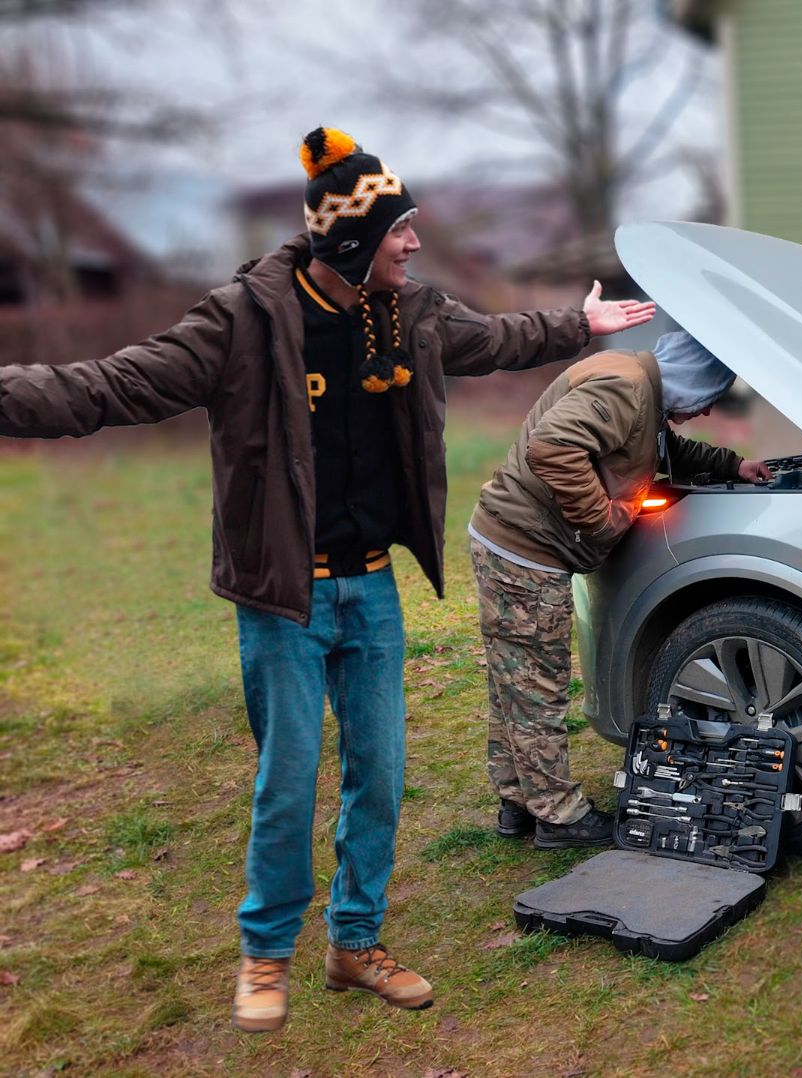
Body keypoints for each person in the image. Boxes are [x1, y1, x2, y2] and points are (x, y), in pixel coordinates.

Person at [0, 128, 655, 1033]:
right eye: (402, 228)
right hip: (284, 598)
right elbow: (106, 388)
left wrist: (578, 325)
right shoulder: (241, 323)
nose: (416, 242)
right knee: (289, 780)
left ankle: (355, 944)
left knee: (381, 778)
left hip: (372, 587)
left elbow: (495, 335)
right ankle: (265, 955)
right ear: (354, 240)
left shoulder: (411, 316)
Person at [468, 332, 768, 848]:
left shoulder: (637, 381)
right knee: (539, 688)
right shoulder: (625, 388)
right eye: (705, 402)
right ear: (691, 384)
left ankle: (518, 802)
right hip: (526, 552)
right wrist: (602, 519)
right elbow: (554, 447)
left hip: (508, 541)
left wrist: (729, 466)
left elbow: (650, 445)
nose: (701, 413)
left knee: (513, 685)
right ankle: (560, 818)